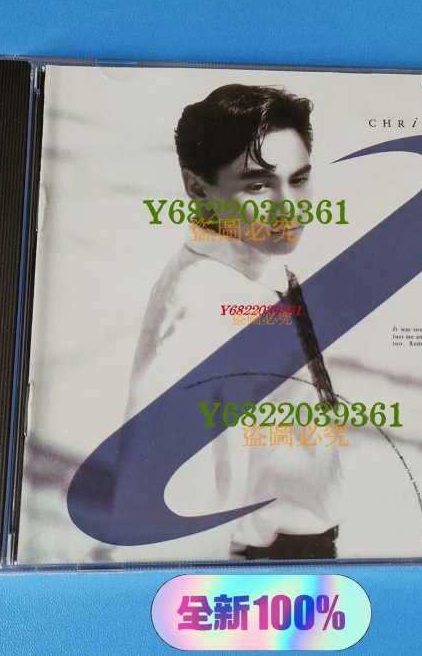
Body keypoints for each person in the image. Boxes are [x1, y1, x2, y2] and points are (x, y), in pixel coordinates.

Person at [125, 84, 343, 559]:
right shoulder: (205, 304)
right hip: (256, 565)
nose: (290, 206)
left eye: (299, 179)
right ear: (197, 188)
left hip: (293, 547)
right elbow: (169, 491)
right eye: (258, 185)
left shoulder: (260, 268)